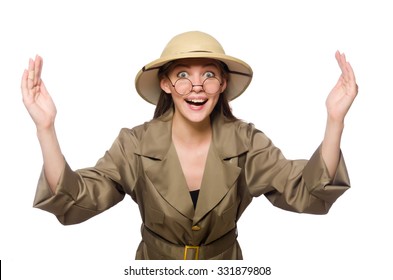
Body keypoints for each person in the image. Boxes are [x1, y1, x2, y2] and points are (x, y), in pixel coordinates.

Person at [21, 31, 358, 260]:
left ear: (222, 83)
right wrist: (45, 128)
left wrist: (335, 120)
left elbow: (308, 191)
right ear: (165, 83)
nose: (196, 85)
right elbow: (76, 200)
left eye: (209, 74)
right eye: (182, 74)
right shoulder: (134, 143)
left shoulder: (247, 141)